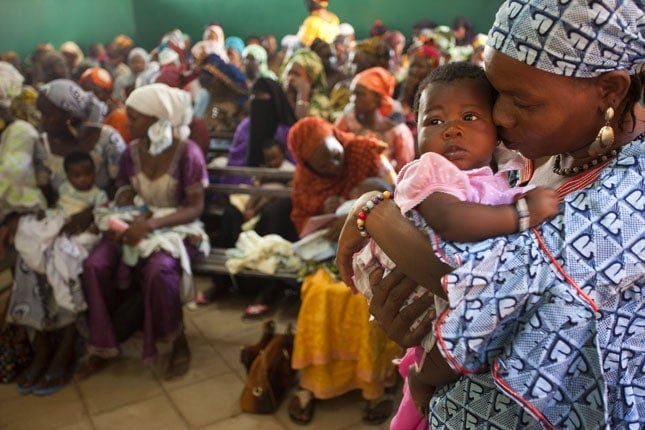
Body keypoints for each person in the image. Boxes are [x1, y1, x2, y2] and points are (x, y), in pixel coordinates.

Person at [336, 0, 644, 428]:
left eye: (523, 101)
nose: (498, 115)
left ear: (609, 89)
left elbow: (494, 294)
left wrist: (375, 214)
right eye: (496, 93)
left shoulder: (630, 192)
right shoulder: (538, 151)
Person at [350, 62, 558, 430]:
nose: (452, 130)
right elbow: (451, 220)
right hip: (430, 289)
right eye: (434, 122)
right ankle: (421, 377)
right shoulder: (432, 171)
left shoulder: (500, 172)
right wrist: (521, 215)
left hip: (460, 293)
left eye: (469, 116)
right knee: (452, 353)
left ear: (496, 131)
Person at [4, 79, 125, 396]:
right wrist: (38, 217)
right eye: (41, 114)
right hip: (61, 222)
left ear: (71, 115)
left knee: (65, 263)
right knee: (29, 262)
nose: (42, 122)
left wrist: (90, 214)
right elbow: (44, 189)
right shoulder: (43, 144)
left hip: (96, 223)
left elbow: (123, 188)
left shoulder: (108, 140)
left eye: (49, 115)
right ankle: (43, 345)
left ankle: (67, 346)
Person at [80, 83, 208, 381]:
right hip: (135, 221)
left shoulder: (187, 152)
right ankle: (102, 345)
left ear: (155, 119)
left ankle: (176, 341)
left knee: (159, 272)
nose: (127, 122)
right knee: (95, 265)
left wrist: (150, 225)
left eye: (135, 117)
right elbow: (124, 188)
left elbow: (195, 208)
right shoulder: (131, 152)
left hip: (175, 225)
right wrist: (124, 200)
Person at [286, 116, 401, 425]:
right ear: (309, 167)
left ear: (338, 138)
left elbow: (400, 196)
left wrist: (359, 216)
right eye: (322, 165)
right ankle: (313, 382)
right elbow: (301, 222)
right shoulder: (305, 181)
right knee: (319, 292)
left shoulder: (366, 154)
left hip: (382, 250)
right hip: (329, 255)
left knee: (363, 297)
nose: (333, 165)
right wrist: (327, 213)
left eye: (335, 154)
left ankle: (373, 386)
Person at [334, 66, 414, 172]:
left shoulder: (399, 134)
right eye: (352, 94)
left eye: (360, 94)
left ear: (377, 98)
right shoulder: (346, 122)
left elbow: (403, 171)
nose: (353, 99)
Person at [282, 48, 332, 120]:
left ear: (310, 80)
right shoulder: (281, 97)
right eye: (289, 73)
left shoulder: (321, 102)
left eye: (296, 74)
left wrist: (302, 96)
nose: (290, 78)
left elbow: (304, 126)